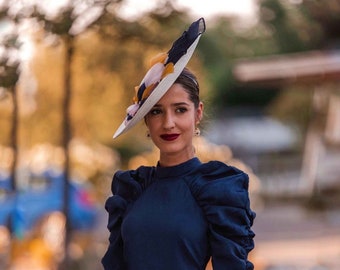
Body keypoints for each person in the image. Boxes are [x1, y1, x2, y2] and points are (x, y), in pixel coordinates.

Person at [102, 18, 255, 270]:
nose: (168, 123)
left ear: (198, 113)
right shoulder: (132, 189)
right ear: (146, 122)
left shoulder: (217, 190)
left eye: (180, 110)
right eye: (156, 112)